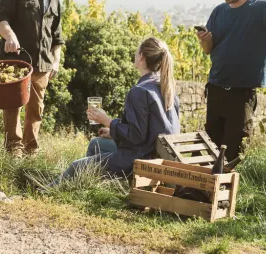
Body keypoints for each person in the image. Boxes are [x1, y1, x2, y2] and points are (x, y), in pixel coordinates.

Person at [51, 37, 180, 185]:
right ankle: (92, 186)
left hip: (140, 160)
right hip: (154, 156)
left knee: (76, 167)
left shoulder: (140, 91)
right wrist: (113, 131)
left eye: (137, 51)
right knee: (95, 144)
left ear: (142, 57)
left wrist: (107, 120)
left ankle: (45, 191)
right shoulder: (166, 87)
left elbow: (136, 137)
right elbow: (147, 130)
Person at [195, 0, 266, 164]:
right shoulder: (219, 12)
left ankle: (231, 184)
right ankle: (209, 183)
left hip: (242, 93)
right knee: (210, 148)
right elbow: (208, 50)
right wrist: (205, 40)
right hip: (216, 88)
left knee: (234, 150)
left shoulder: (262, 8)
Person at [0, 0, 68, 156]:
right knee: (12, 108)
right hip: (16, 63)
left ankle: (30, 152)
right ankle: (13, 152)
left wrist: (56, 61)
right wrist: (9, 35)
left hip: (43, 65)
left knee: (36, 110)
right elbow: (1, 19)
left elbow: (57, 36)